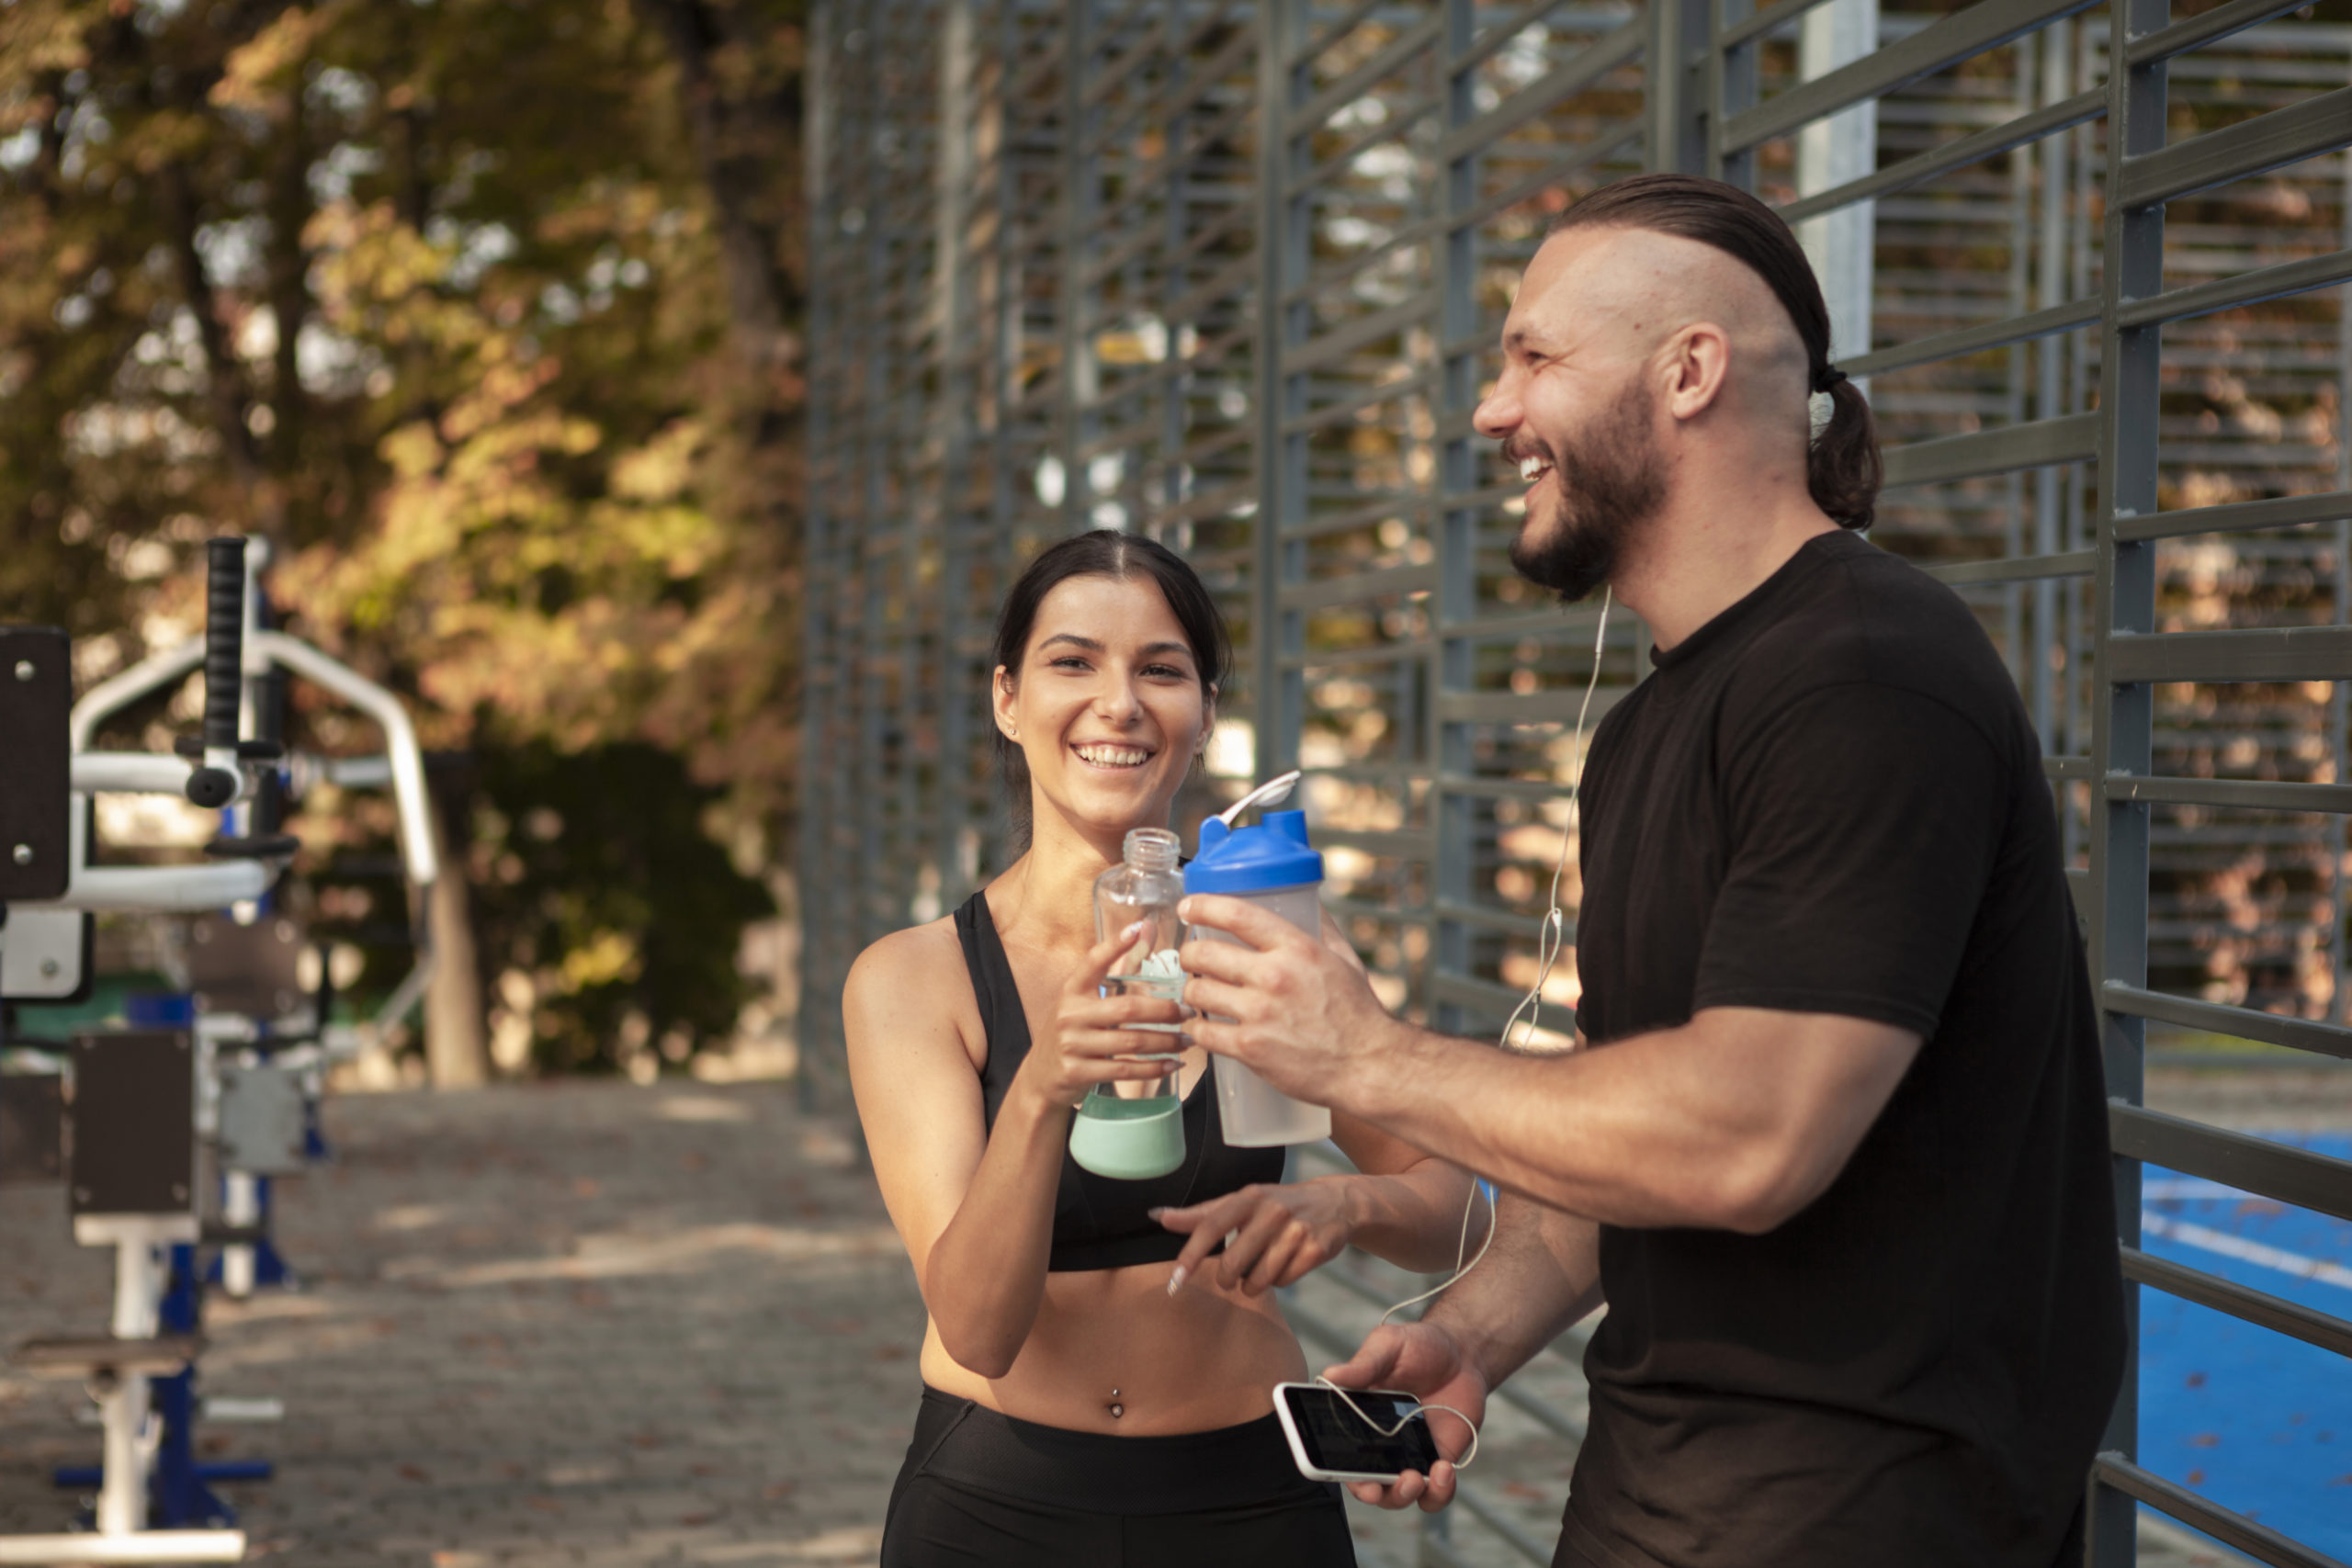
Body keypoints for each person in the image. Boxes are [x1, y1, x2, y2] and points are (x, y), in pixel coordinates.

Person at [1174, 174, 2127, 1568]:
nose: (1494, 409)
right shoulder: (1646, 728)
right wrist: (1470, 1333)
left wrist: (1364, 1056)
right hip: (1660, 1491)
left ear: (1690, 371)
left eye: (1534, 355)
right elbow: (1624, 1128)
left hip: (1866, 1513)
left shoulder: (1869, 674)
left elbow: (1747, 1136)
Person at [844, 529, 1483, 1567]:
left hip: (1252, 1503)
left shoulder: (1280, 942)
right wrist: (1046, 1086)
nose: (1120, 703)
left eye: (1162, 669)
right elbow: (976, 1327)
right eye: (1072, 662)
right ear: (1007, 700)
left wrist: (1347, 1204)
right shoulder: (914, 979)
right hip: (998, 1506)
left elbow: (1457, 1213)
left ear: (1207, 713)